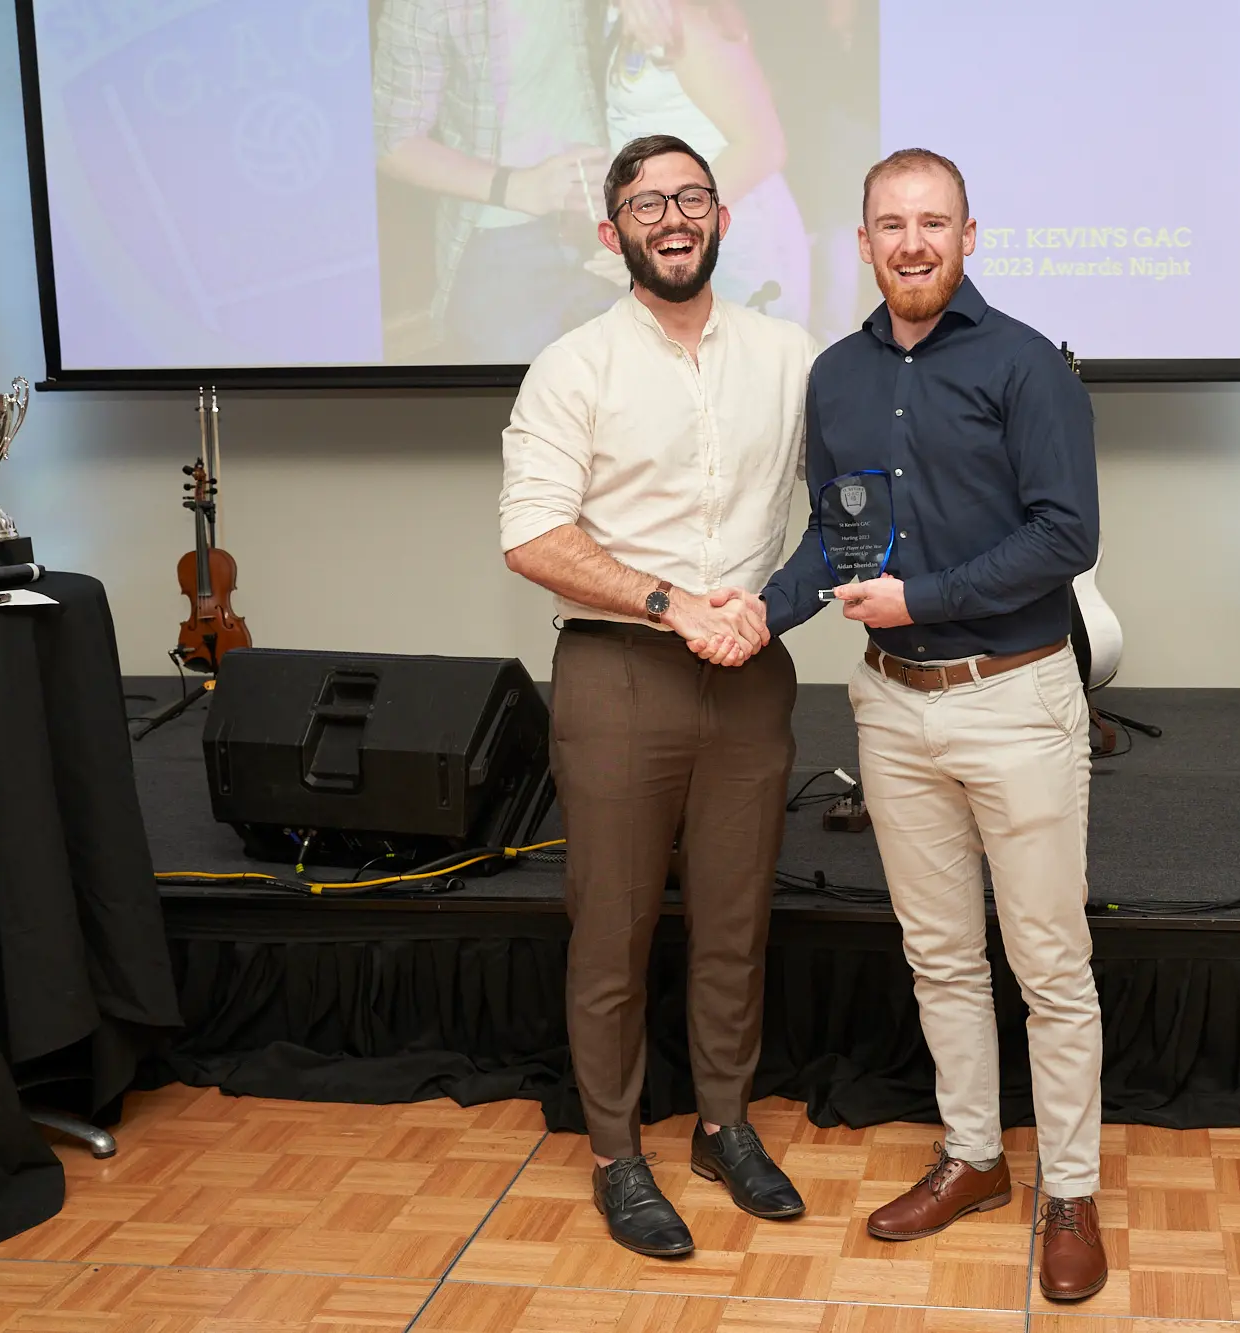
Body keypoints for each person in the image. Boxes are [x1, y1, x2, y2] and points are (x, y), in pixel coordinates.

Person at [750, 148, 1109, 1302]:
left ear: (968, 235)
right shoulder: (835, 376)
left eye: (932, 222)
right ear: (861, 242)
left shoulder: (1025, 368)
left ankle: (1069, 1188)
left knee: (1048, 965)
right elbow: (834, 538)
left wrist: (927, 598)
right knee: (940, 955)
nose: (911, 241)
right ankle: (973, 1157)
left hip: (1014, 698)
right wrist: (753, 617)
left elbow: (1066, 538)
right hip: (890, 706)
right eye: (889, 224)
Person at [498, 133, 819, 1258]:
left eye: (690, 197)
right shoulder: (572, 366)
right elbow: (530, 535)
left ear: (723, 216)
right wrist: (668, 601)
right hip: (618, 670)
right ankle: (615, 1151)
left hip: (751, 669)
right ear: (611, 232)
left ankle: (723, 1124)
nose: (671, 218)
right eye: (645, 203)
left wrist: (769, 607)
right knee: (614, 927)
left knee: (735, 920)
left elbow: (842, 514)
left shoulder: (790, 355)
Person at [373, 0, 664, 361]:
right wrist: (516, 187)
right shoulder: (426, 7)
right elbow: (391, 142)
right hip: (502, 236)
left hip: (618, 219)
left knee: (637, 392)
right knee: (518, 403)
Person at [592, 0, 812, 323]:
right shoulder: (621, 14)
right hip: (692, 245)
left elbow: (764, 146)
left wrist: (658, 225)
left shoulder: (686, 19)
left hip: (741, 248)